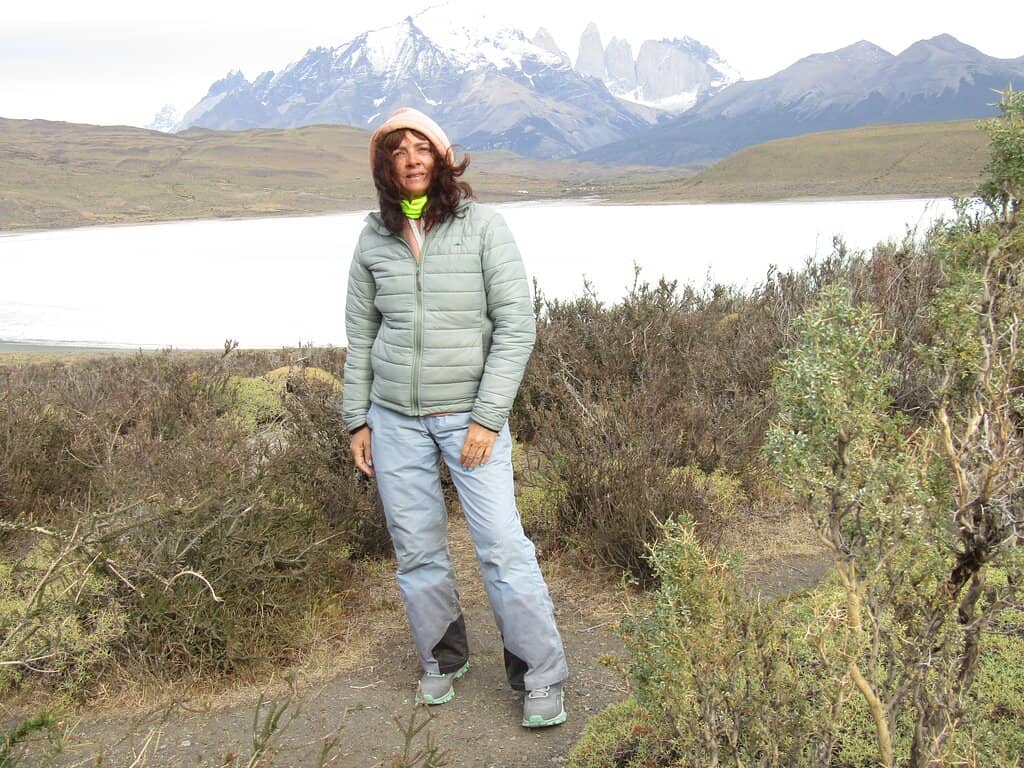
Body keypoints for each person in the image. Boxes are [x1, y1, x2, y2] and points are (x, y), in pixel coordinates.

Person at [341, 107, 568, 728]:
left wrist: (489, 419)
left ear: (442, 158)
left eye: (422, 147)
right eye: (398, 150)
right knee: (416, 550)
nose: (411, 158)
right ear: (384, 166)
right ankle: (443, 658)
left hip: (469, 416)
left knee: (501, 548)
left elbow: (516, 328)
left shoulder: (483, 227)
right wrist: (356, 419)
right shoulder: (373, 236)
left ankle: (540, 674)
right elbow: (361, 335)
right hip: (393, 420)